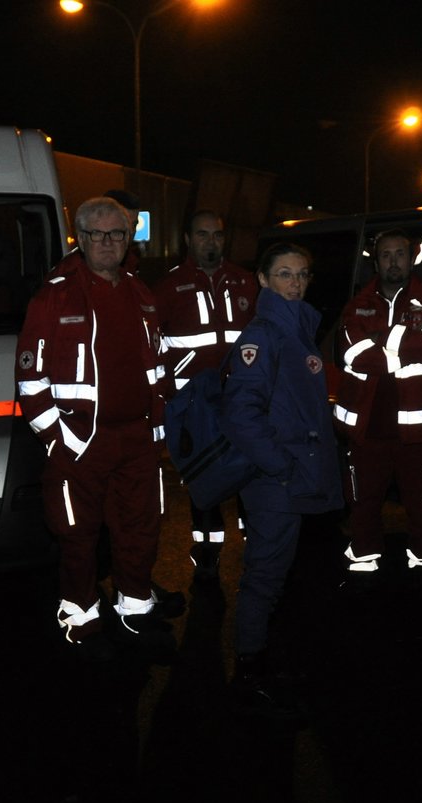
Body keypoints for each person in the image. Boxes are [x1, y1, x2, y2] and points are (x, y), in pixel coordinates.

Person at [15, 196, 173, 660]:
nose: (107, 243)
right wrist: (58, 441)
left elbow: (159, 368)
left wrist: (157, 429)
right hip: (80, 441)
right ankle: (80, 615)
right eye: (97, 235)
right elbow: (30, 375)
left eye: (117, 234)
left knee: (140, 527)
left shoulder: (142, 294)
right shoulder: (56, 294)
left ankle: (135, 607)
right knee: (77, 534)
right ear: (81, 240)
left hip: (137, 439)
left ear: (129, 239)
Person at [221, 242, 342, 715]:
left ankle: (272, 659)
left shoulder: (298, 327)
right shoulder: (264, 334)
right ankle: (248, 672)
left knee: (288, 575)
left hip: (296, 477)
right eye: (285, 274)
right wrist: (281, 467)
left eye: (302, 274)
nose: (295, 283)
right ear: (263, 280)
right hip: (278, 483)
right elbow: (241, 415)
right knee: (264, 577)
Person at [332, 229, 422, 592]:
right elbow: (353, 353)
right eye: (386, 255)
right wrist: (401, 339)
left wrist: (380, 339)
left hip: (418, 427)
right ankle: (363, 566)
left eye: (400, 254)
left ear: (410, 256)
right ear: (376, 260)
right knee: (363, 502)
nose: (393, 261)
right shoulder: (357, 304)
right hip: (368, 426)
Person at [155, 209, 259, 584]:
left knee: (249, 473)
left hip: (242, 400)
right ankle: (209, 550)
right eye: (202, 235)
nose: (210, 242)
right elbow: (154, 346)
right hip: (195, 405)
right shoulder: (168, 287)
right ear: (187, 239)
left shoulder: (245, 282)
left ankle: (256, 545)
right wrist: (170, 395)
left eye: (216, 235)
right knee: (206, 478)